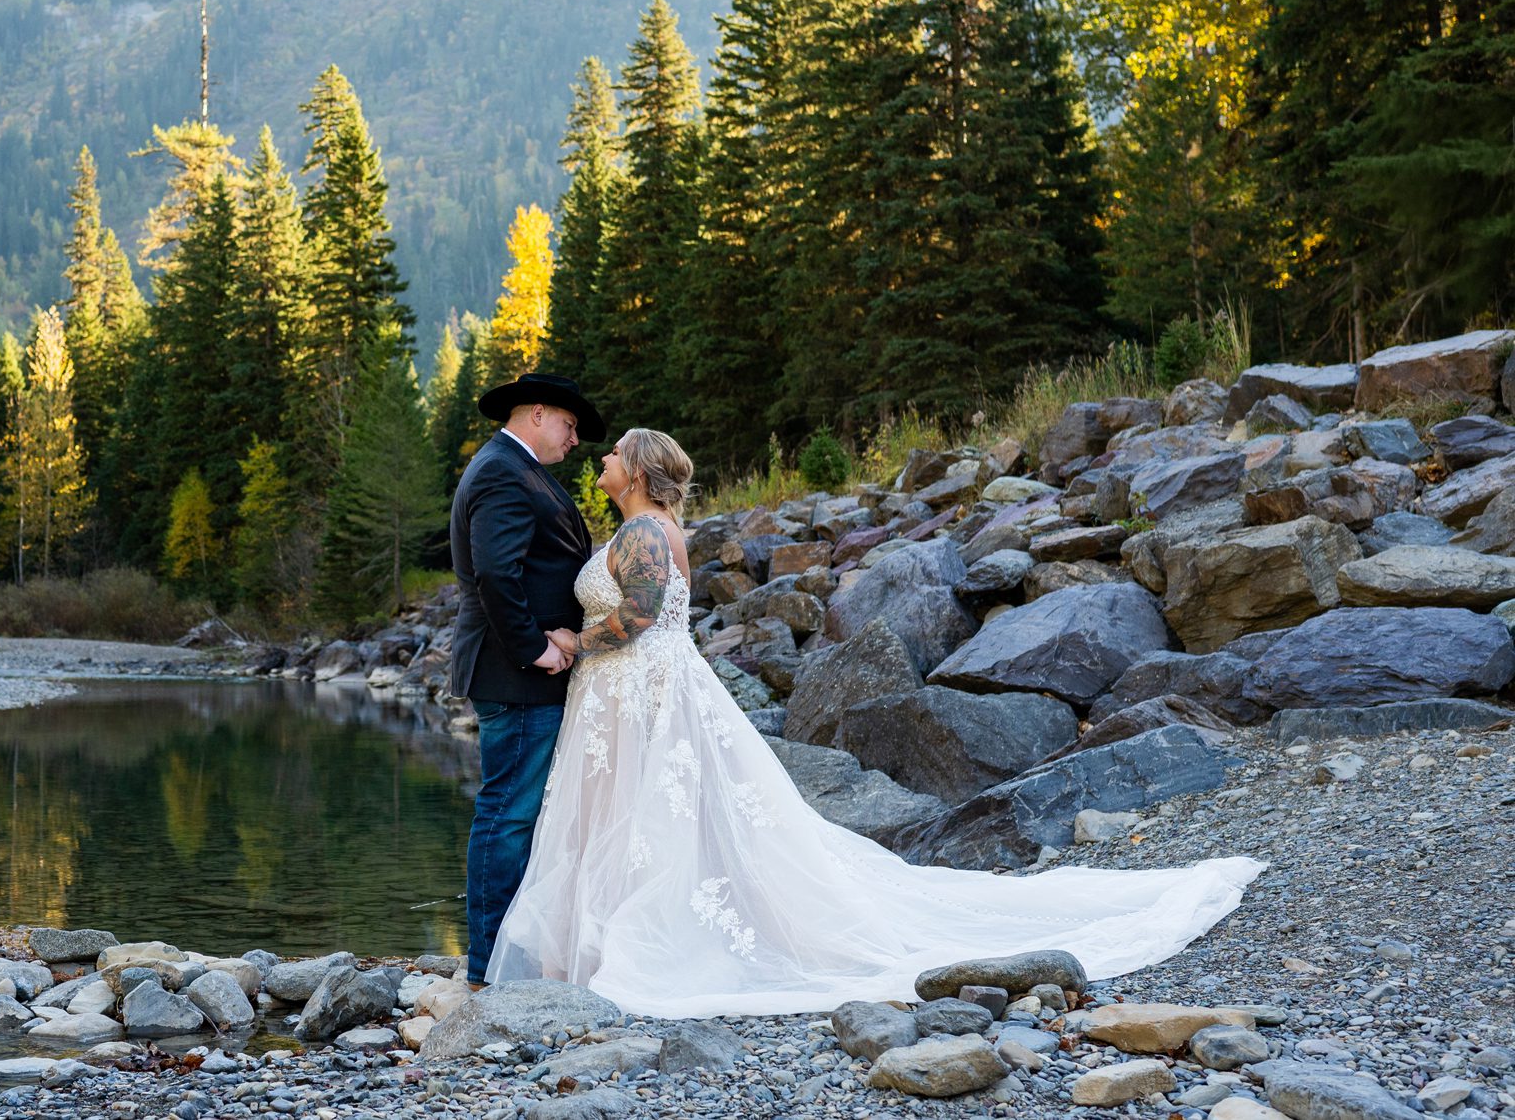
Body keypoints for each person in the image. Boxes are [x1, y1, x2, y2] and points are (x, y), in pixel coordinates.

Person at [485, 426, 1262, 1016]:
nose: (602, 462)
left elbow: (645, 616)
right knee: (645, 817)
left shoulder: (648, 532)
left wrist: (570, 642)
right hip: (628, 695)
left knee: (653, 816)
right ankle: (605, 943)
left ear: (641, 472)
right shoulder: (641, 530)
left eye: (614, 454)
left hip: (643, 688)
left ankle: (635, 947)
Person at [447, 371, 606, 985]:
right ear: (537, 413)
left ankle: (508, 955)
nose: (574, 442)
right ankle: (489, 965)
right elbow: (494, 571)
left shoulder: (518, 470)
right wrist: (533, 648)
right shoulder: (502, 472)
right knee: (507, 813)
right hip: (514, 671)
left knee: (517, 811)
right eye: (569, 427)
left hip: (519, 671)